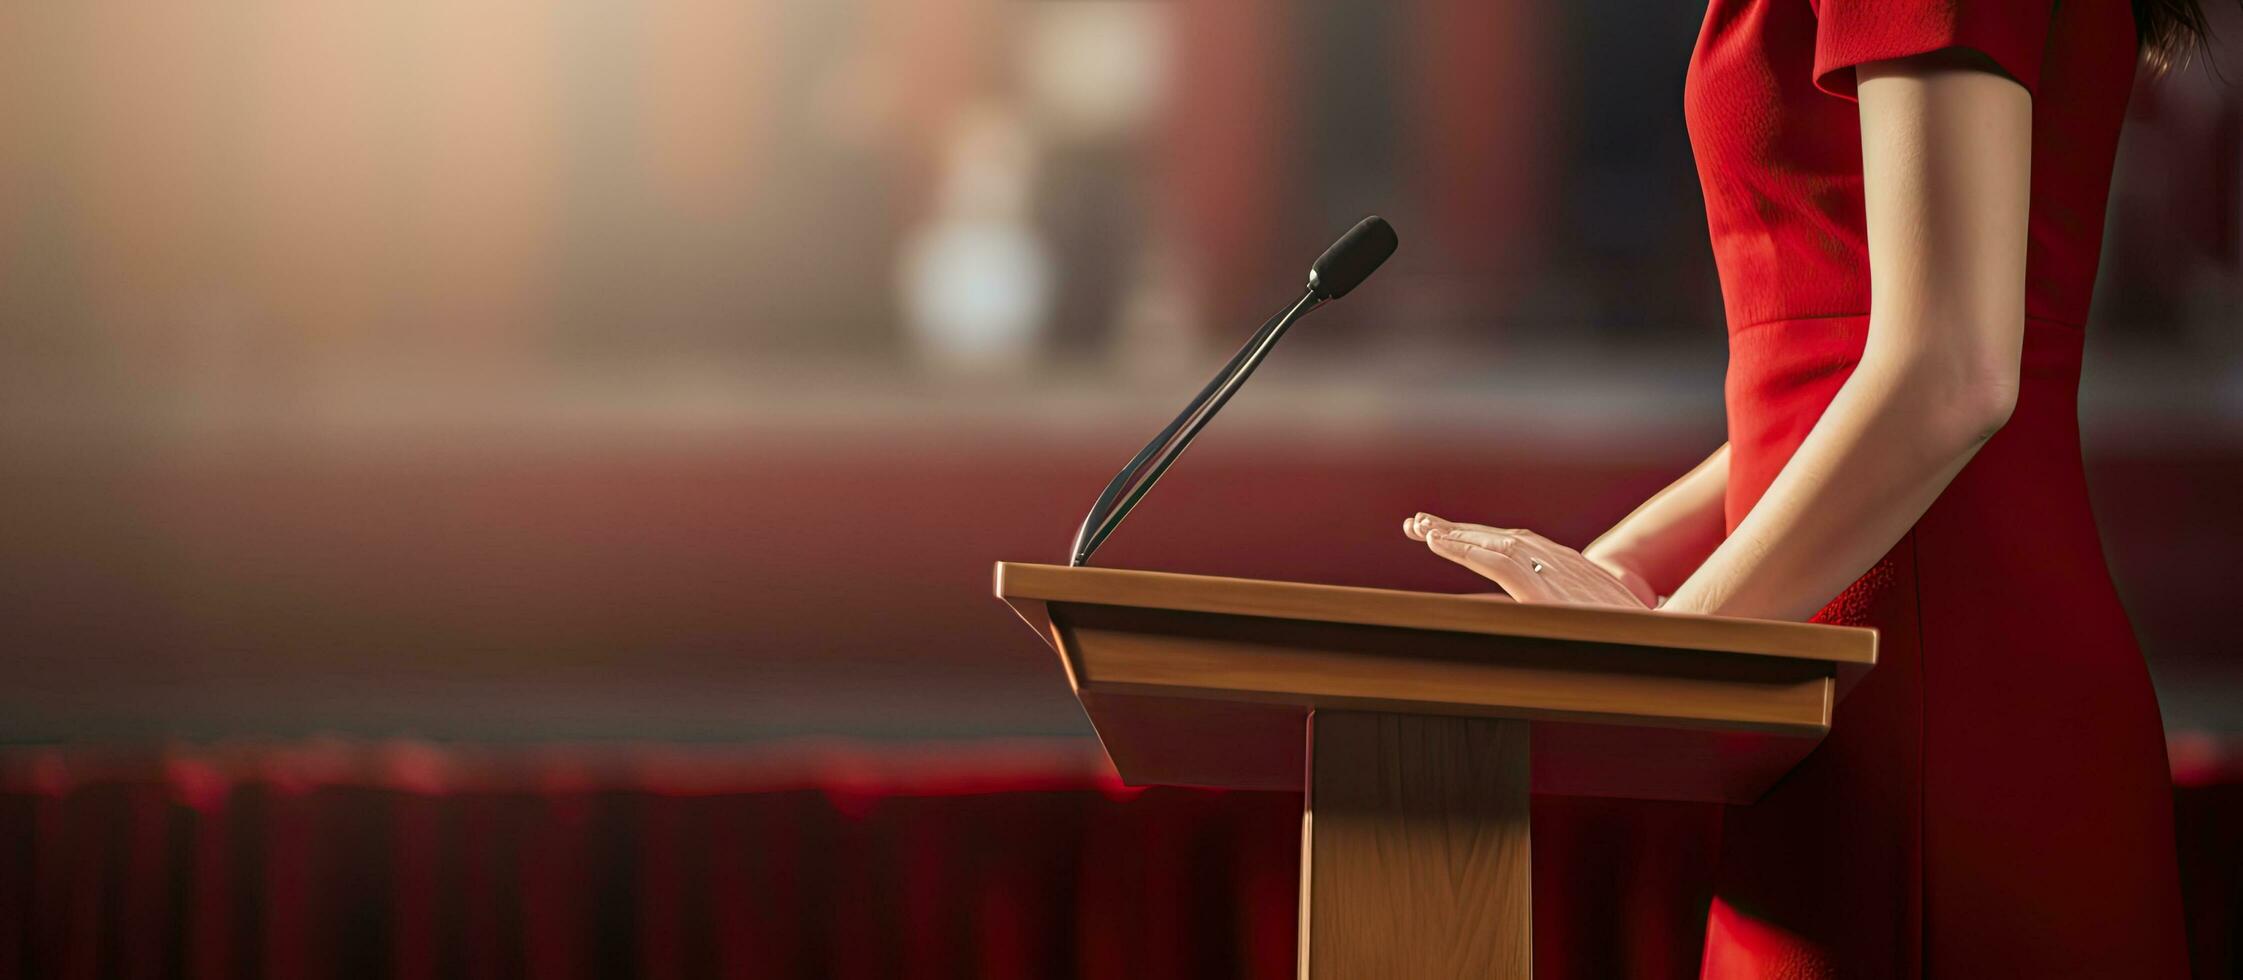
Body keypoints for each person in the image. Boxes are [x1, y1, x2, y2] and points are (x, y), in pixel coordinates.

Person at [1401, 0, 2207, 975]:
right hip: (1832, 679)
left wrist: (1674, 647)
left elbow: (1949, 372)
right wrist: (1615, 573)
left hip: (1924, 700)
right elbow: (1820, 377)